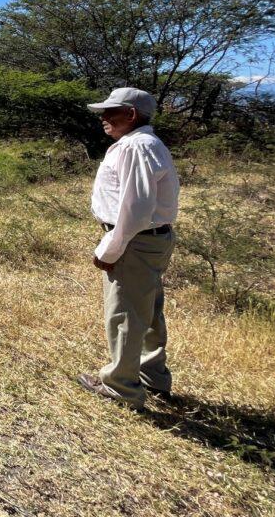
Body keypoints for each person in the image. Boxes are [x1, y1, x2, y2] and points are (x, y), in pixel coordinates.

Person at [76, 87, 180, 409]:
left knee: (125, 313)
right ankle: (153, 376)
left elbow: (135, 209)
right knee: (147, 308)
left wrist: (110, 248)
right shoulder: (147, 143)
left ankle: (122, 387)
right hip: (151, 239)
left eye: (110, 112)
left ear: (131, 115)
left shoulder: (135, 146)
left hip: (134, 241)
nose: (103, 118)